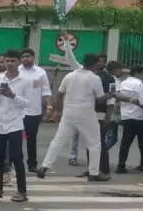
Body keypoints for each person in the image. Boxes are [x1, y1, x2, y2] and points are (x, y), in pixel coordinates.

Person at [37, 53, 110, 181]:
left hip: (69, 112)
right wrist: (111, 95)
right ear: (95, 63)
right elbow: (100, 99)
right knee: (94, 143)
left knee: (58, 141)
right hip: (86, 113)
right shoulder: (94, 78)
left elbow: (59, 95)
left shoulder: (70, 75)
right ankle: (94, 173)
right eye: (99, 62)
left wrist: (58, 111)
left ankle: (44, 167)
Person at [0, 50, 30, 202]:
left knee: (17, 157)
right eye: (7, 61)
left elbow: (27, 103)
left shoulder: (25, 81)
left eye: (12, 61)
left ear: (18, 62)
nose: (9, 64)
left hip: (15, 123)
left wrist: (13, 95)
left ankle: (22, 192)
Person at [17, 47, 52, 172]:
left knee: (31, 139)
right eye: (23, 57)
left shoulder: (40, 73)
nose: (25, 59)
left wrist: (48, 106)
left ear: (33, 58)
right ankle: (16, 162)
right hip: (17, 111)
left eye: (28, 56)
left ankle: (32, 164)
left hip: (33, 111)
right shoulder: (17, 71)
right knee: (16, 138)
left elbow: (45, 91)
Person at [115, 64, 143, 173]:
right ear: (138, 73)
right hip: (139, 117)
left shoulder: (123, 83)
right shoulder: (140, 84)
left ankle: (121, 165)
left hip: (126, 116)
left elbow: (119, 97)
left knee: (125, 143)